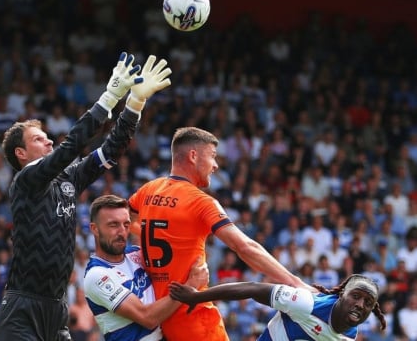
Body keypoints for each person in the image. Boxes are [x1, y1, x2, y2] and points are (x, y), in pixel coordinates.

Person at [0, 52, 172, 341]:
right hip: (21, 312)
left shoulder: (67, 179)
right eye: (39, 139)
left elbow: (111, 151)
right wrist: (109, 98)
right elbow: (69, 149)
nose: (49, 140)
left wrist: (134, 104)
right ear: (21, 154)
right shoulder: (26, 180)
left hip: (56, 309)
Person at [128, 127, 312, 340]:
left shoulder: (149, 190)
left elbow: (127, 220)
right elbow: (244, 246)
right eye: (213, 156)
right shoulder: (200, 201)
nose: (215, 165)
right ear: (193, 156)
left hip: (164, 316)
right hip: (195, 317)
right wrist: (296, 282)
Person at [83, 194, 208, 341]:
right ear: (95, 229)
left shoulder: (136, 253)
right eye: (113, 225)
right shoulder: (97, 275)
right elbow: (147, 318)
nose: (122, 232)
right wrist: (191, 285)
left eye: (126, 224)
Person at [169, 274, 386, 341]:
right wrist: (198, 296)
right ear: (342, 295)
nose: (359, 305)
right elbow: (253, 288)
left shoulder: (351, 333)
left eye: (367, 303)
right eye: (355, 296)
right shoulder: (305, 304)